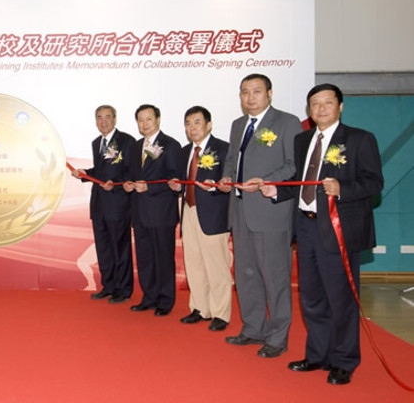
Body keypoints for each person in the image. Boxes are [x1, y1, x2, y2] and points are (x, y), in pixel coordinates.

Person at [259, 84, 383, 385]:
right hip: (306, 226)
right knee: (312, 297)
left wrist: (343, 190)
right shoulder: (303, 140)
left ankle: (344, 361)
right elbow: (299, 180)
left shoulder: (359, 139)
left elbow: (373, 182)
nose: (321, 109)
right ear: (309, 110)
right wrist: (277, 190)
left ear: (340, 106)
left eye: (328, 103)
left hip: (339, 230)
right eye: (315, 104)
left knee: (340, 299)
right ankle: (317, 355)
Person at [218, 73, 300, 359]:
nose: (250, 97)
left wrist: (265, 180)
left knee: (274, 276)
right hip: (240, 209)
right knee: (246, 274)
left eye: (256, 91)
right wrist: (227, 177)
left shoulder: (287, 122)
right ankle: (253, 328)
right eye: (244, 92)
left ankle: (277, 337)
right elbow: (231, 159)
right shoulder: (238, 124)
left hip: (270, 212)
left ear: (270, 93)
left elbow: (293, 165)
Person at [168, 106, 232, 331]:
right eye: (188, 123)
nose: (192, 128)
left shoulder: (224, 149)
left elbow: (230, 181)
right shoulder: (185, 151)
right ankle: (200, 308)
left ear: (209, 124)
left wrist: (218, 186)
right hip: (189, 210)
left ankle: (220, 313)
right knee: (193, 264)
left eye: (196, 122)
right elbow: (181, 182)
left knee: (217, 266)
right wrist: (176, 187)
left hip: (213, 214)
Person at [71, 105, 136, 303]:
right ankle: (108, 286)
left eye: (108, 117)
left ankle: (123, 290)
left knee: (120, 248)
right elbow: (100, 172)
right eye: (99, 118)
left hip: (118, 205)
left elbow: (130, 172)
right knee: (104, 249)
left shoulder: (127, 141)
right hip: (99, 204)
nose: (104, 121)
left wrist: (115, 186)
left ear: (115, 119)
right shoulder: (96, 142)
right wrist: (84, 174)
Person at [123, 104, 182, 316]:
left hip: (161, 212)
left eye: (148, 119)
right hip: (139, 212)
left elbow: (175, 180)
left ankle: (165, 300)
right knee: (145, 257)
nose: (144, 123)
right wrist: (128, 184)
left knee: (163, 257)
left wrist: (150, 186)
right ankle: (148, 297)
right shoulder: (135, 146)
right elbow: (130, 173)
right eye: (140, 120)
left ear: (158, 120)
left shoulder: (171, 145)